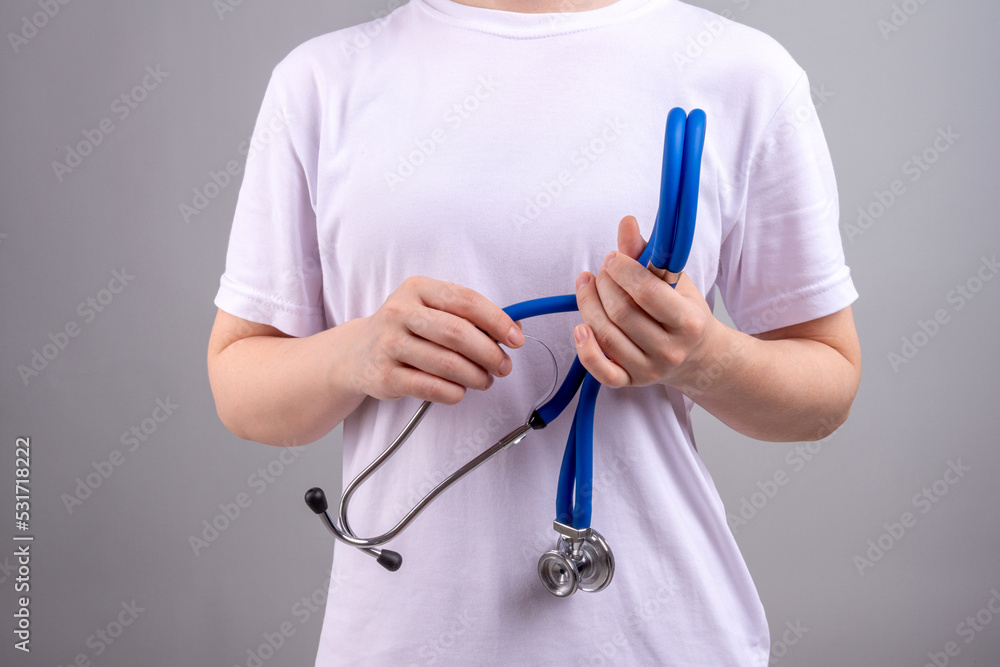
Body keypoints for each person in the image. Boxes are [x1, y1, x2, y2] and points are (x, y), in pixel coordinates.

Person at [206, 0, 861, 664]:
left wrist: (702, 357)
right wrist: (353, 354)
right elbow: (240, 386)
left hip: (658, 639)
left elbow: (827, 386)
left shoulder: (744, 73)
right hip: (399, 642)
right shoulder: (319, 82)